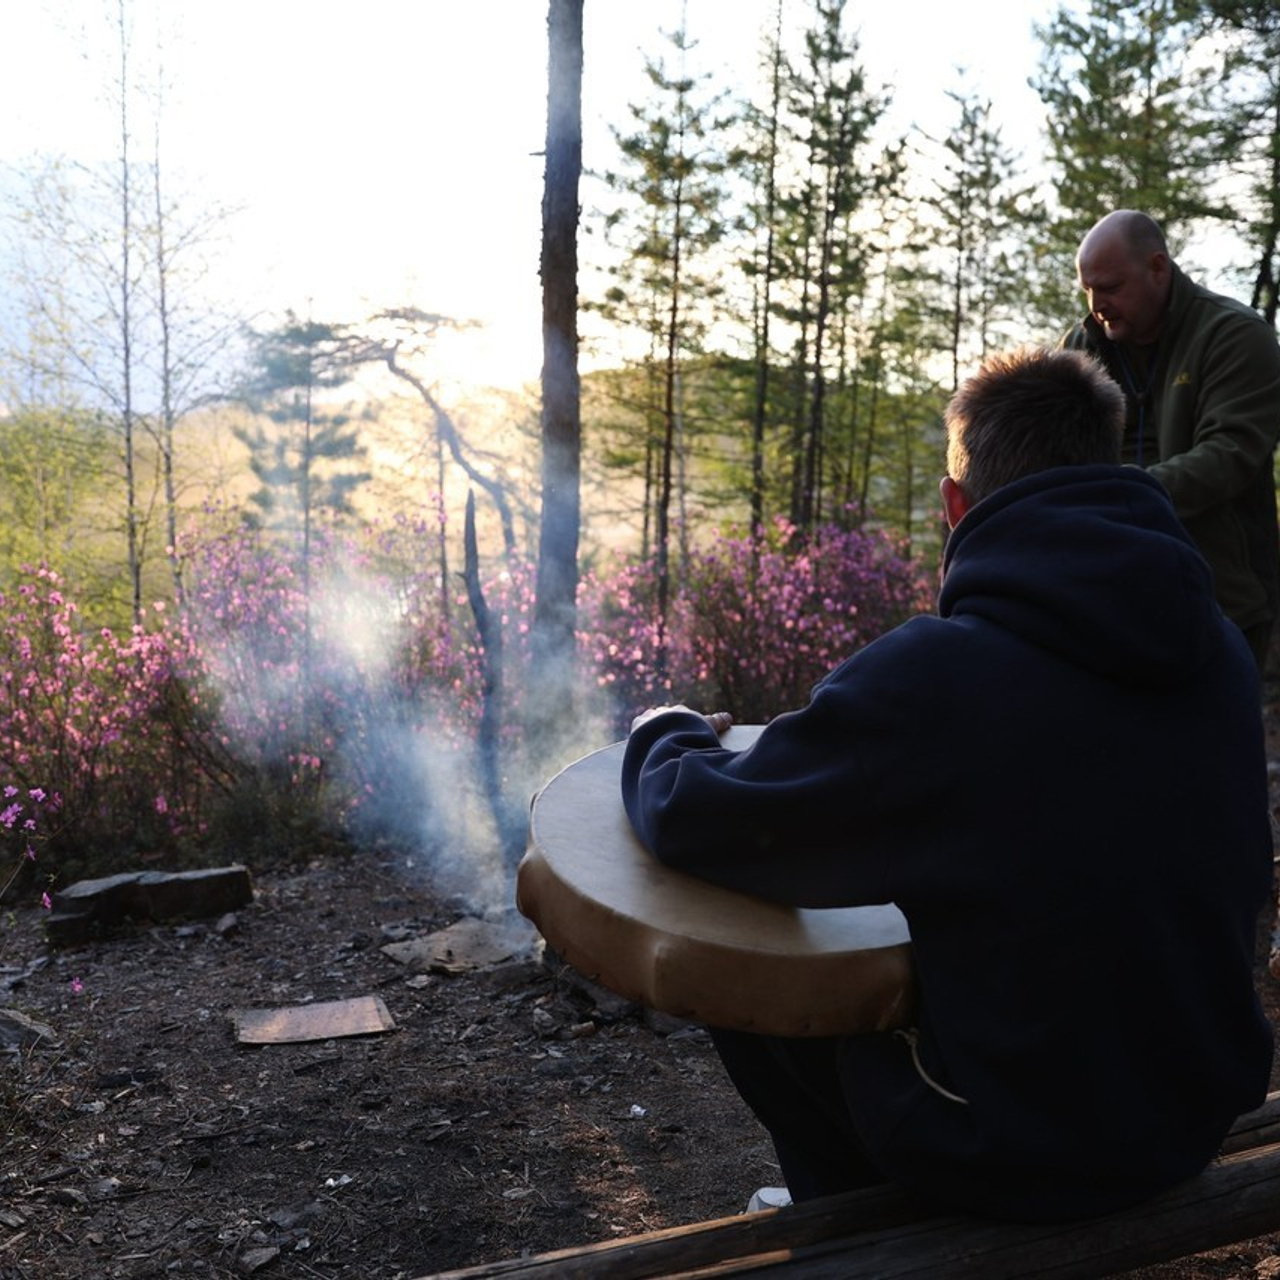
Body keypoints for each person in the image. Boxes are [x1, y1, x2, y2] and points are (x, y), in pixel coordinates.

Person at [620, 344, 1274, 1223]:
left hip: (1028, 1149)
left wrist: (665, 732)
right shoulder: (1221, 652)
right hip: (1190, 1111)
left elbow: (704, 823)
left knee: (751, 978)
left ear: (955, 507)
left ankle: (847, 1219)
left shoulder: (938, 675)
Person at [1064, 209, 1280, 674]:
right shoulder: (1083, 347)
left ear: (1158, 267)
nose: (1097, 303)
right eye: (1088, 288)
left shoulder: (1236, 336)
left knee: (1214, 743)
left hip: (1222, 600)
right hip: (1113, 596)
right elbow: (1054, 454)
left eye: (1111, 286)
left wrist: (1119, 497)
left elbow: (1228, 457)